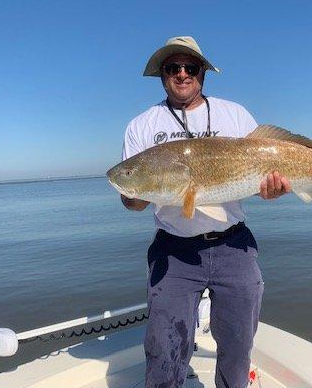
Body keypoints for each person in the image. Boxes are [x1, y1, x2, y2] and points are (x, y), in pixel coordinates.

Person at [120, 36, 291, 388]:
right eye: (173, 68)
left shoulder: (235, 114)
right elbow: (131, 199)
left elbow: (259, 181)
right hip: (174, 251)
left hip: (234, 247)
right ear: (162, 75)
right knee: (164, 352)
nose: (182, 74)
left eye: (190, 67)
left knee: (238, 347)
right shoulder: (141, 126)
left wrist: (274, 191)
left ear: (203, 73)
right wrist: (135, 194)